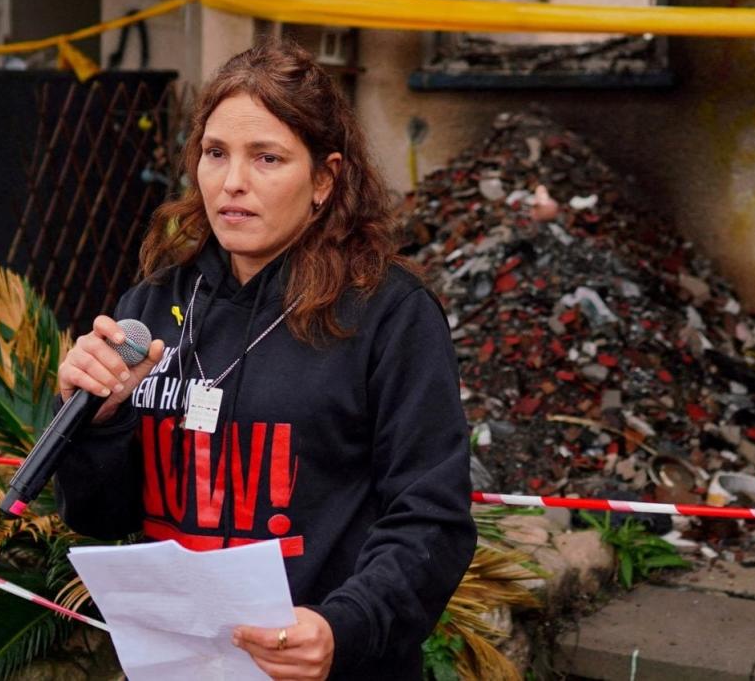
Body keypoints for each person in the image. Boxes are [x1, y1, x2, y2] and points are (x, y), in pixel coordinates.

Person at [55, 38, 475, 680]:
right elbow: (100, 515)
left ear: (324, 179)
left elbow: (432, 519)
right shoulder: (155, 303)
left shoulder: (389, 315)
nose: (233, 182)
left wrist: (343, 626)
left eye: (267, 158)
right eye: (215, 153)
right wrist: (100, 420)